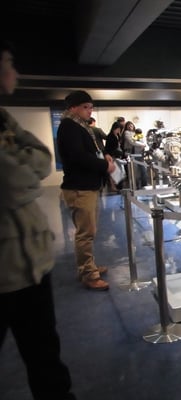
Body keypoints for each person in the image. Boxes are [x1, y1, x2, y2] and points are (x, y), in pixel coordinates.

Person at [0, 38, 76, 400]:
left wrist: (22, 170)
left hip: (34, 265)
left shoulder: (5, 118)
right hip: (6, 268)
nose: (14, 71)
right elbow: (13, 184)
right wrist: (24, 171)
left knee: (46, 357)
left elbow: (43, 160)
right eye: (8, 62)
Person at [57, 90, 115, 291]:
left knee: (88, 231)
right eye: (85, 107)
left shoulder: (79, 126)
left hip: (86, 186)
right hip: (79, 188)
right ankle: (89, 274)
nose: (89, 111)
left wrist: (104, 156)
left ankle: (88, 267)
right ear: (73, 108)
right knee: (85, 233)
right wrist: (104, 166)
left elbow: (91, 151)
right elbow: (78, 156)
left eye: (91, 107)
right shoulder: (69, 126)